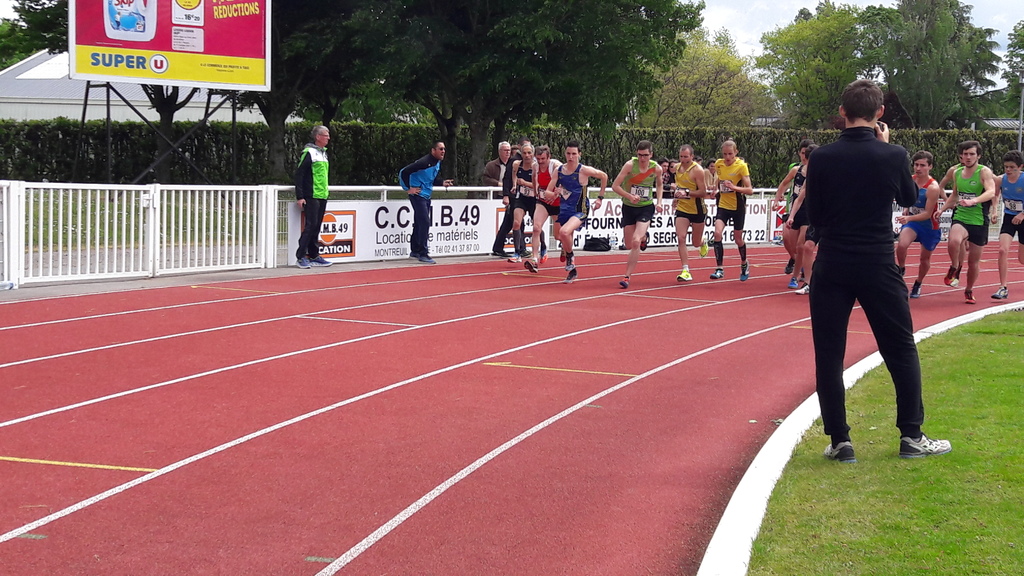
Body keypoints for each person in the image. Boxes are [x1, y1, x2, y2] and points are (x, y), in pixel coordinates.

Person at [805, 79, 951, 463]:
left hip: (833, 262)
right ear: (880, 113)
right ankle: (911, 436)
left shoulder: (821, 157)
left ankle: (840, 441)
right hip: (877, 262)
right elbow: (908, 197)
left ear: (842, 112)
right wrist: (885, 148)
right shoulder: (893, 154)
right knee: (900, 347)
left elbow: (814, 214)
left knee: (829, 353)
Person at [936, 141, 997, 304]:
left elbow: (991, 191)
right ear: (961, 156)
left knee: (973, 262)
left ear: (978, 156)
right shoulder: (957, 172)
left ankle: (969, 290)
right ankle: (954, 266)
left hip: (978, 219)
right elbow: (955, 195)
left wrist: (974, 201)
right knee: (954, 240)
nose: (968, 157)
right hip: (961, 216)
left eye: (971, 154)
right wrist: (942, 209)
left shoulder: (984, 171)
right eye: (965, 154)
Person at [611, 141, 664, 289]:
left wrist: (659, 202)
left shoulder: (656, 168)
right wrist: (629, 196)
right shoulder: (629, 165)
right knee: (629, 244)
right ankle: (644, 237)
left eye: (645, 155)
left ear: (651, 155)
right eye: (640, 155)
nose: (642, 158)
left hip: (646, 207)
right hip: (629, 207)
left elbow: (659, 185)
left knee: (635, 241)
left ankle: (626, 276)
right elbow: (615, 186)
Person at [554, 140, 607, 283]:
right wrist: (554, 192)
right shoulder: (559, 170)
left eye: (574, 154)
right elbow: (548, 191)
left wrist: (600, 198)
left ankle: (570, 255)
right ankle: (572, 270)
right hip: (564, 209)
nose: (570, 157)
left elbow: (604, 176)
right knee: (562, 236)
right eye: (568, 153)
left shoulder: (584, 170)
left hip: (580, 209)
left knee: (564, 232)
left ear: (579, 154)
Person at [895, 151, 943, 299]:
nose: (918, 168)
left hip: (929, 226)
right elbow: (907, 198)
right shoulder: (910, 181)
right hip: (913, 223)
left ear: (930, 167)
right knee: (901, 245)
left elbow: (927, 214)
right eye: (916, 165)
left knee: (924, 259)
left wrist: (908, 218)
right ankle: (901, 268)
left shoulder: (933, 188)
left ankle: (918, 282)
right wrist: (906, 208)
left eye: (922, 165)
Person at [399, 140, 455, 264]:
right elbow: (404, 172)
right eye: (440, 149)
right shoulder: (424, 162)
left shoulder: (436, 163)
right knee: (424, 222)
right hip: (417, 195)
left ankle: (415, 250)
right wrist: (408, 188)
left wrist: (442, 182)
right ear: (433, 150)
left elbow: (429, 179)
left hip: (426, 195)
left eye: (444, 149)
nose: (443, 151)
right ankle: (423, 253)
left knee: (419, 222)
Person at [710, 140, 754, 281]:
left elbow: (750, 190)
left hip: (737, 206)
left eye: (730, 154)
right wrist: (715, 189)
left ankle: (744, 263)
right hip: (723, 205)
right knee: (717, 233)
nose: (727, 157)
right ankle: (719, 269)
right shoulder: (719, 164)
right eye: (725, 154)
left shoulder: (741, 166)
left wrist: (734, 187)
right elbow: (719, 179)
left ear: (736, 152)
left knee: (738, 239)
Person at [773, 140, 815, 278]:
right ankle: (795, 259)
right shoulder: (795, 169)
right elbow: (784, 184)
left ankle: (801, 273)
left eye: (806, 154)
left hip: (808, 211)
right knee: (787, 240)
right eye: (802, 153)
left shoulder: (816, 172)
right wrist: (777, 199)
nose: (804, 157)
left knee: (801, 245)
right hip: (793, 208)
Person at [294, 125, 334, 269]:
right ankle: (300, 256)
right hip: (311, 195)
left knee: (317, 226)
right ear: (318, 137)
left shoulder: (323, 153)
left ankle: (314, 255)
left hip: (322, 195)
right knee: (310, 226)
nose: (328, 138)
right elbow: (300, 174)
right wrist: (300, 196)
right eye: (326, 135)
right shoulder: (309, 152)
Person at [672, 144, 709, 282]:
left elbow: (703, 192)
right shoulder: (677, 168)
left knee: (695, 243)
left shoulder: (698, 170)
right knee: (681, 237)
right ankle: (685, 270)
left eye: (686, 157)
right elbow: (679, 186)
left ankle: (702, 241)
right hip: (682, 208)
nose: (683, 159)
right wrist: (677, 197)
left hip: (697, 209)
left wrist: (686, 193)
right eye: (681, 156)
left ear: (692, 156)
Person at [992, 150, 1024, 299]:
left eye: (1012, 167)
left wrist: (1022, 214)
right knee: (1002, 250)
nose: (1008, 170)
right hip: (1009, 218)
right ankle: (1003, 287)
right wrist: (994, 211)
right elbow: (995, 195)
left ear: (1020, 167)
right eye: (1006, 167)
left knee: (1022, 259)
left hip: (1023, 218)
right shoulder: (1000, 180)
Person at [524, 145, 562, 272]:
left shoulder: (556, 166)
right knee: (536, 228)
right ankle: (534, 259)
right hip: (543, 201)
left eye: (543, 159)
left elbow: (565, 181)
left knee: (558, 236)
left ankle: (566, 248)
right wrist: (535, 191)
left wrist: (556, 194)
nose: (540, 162)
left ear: (549, 157)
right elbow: (534, 178)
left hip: (557, 203)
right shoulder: (535, 166)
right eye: (538, 159)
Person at [491, 137, 530, 258]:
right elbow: (506, 178)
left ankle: (498, 247)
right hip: (514, 197)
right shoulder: (514, 161)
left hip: (520, 196)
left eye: (529, 150)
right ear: (519, 148)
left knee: (508, 223)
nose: (527, 153)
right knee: (517, 223)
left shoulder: (526, 162)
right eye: (525, 149)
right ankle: (521, 248)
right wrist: (506, 195)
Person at [508, 143, 539, 263]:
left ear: (533, 154)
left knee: (536, 226)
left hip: (533, 199)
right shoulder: (517, 164)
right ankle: (517, 253)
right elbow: (514, 175)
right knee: (516, 223)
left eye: (529, 153)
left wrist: (525, 183)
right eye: (524, 153)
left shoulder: (536, 167)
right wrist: (514, 185)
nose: (527, 155)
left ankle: (543, 247)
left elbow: (538, 185)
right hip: (521, 198)